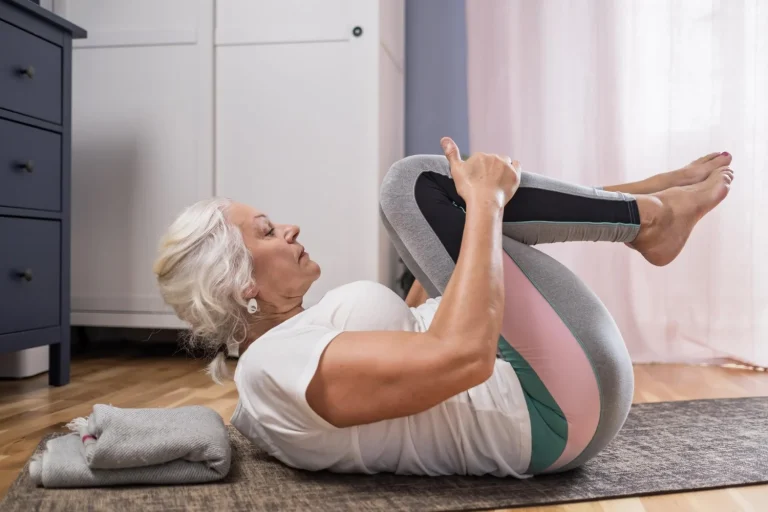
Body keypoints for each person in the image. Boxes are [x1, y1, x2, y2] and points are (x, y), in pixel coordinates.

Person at [153, 137, 733, 477]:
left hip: (565, 395)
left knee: (448, 212)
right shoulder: (272, 369)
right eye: (267, 231)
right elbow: (463, 358)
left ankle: (646, 205)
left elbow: (435, 311)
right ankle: (651, 218)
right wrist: (481, 203)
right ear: (241, 284)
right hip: (552, 406)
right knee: (411, 189)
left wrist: (469, 215)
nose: (290, 228)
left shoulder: (290, 344)